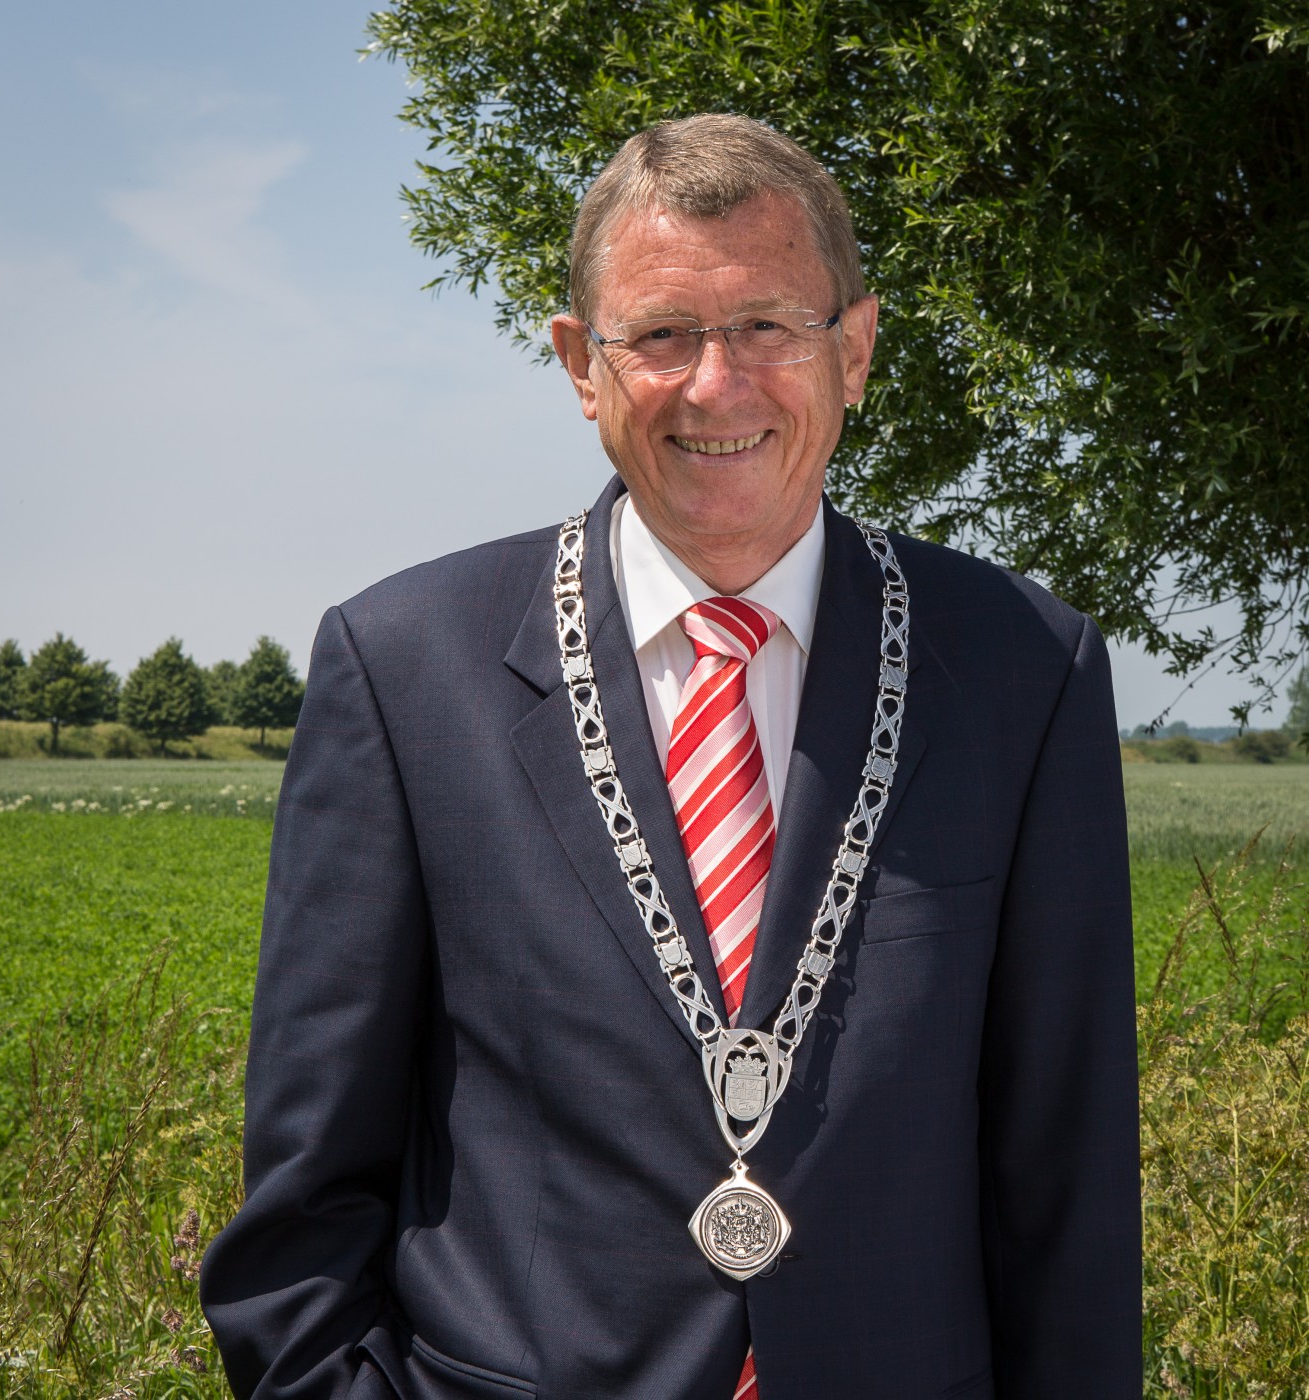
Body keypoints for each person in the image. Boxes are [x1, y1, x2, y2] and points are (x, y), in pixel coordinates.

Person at [200, 114, 1142, 1398]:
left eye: (767, 324)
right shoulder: (403, 667)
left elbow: (1066, 1177)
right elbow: (307, 1196)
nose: (717, 383)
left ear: (853, 349)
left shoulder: (1024, 669)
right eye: (660, 336)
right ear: (582, 365)